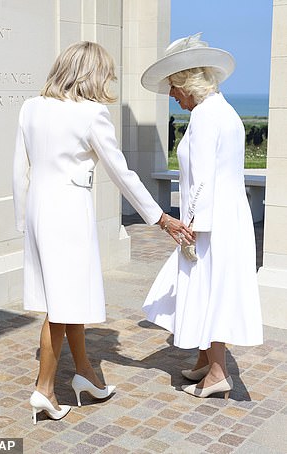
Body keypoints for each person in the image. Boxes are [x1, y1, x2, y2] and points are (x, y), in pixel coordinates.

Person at [13, 41, 192, 424]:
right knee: (59, 308)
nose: (108, 79)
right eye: (106, 72)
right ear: (92, 74)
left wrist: (22, 222)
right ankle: (44, 389)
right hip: (69, 216)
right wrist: (160, 217)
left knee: (65, 298)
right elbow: (121, 173)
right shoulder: (92, 114)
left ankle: (87, 376)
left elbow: (19, 170)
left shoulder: (31, 107)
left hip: (37, 213)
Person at [141, 33, 263, 399]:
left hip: (212, 221)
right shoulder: (220, 110)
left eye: (172, 88)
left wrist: (191, 226)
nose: (171, 95)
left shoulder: (208, 115)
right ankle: (205, 361)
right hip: (225, 216)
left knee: (212, 291)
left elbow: (204, 178)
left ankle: (218, 373)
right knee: (208, 288)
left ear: (185, 82)